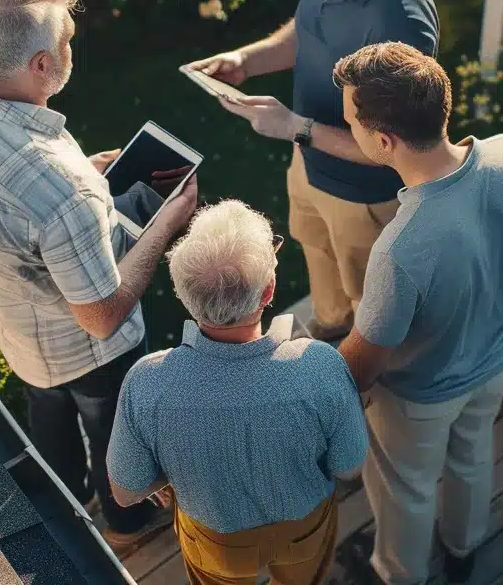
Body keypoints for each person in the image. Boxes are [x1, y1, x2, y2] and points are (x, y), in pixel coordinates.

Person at [0, 0, 193, 552]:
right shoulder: (64, 191)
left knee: (48, 420)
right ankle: (124, 526)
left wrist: (89, 179)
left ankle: (62, 508)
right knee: (114, 434)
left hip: (16, 330)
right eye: (67, 41)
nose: (74, 47)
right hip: (92, 353)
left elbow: (13, 192)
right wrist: (166, 223)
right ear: (42, 64)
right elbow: (100, 316)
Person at [330, 43, 503, 584]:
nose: (345, 125)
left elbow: (362, 369)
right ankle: (464, 548)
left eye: (350, 120)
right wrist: (492, 303)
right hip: (495, 364)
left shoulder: (400, 247)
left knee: (408, 491)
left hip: (419, 398)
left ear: (383, 141)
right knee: (472, 456)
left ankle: (401, 576)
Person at [188, 0, 438, 344]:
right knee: (319, 262)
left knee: (376, 316)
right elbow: (308, 29)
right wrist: (247, 62)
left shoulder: (401, 21)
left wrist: (296, 127)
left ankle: (362, 389)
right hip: (306, 164)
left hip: (364, 199)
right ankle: (330, 329)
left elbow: (392, 148)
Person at [107, 200, 370, 585]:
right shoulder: (320, 367)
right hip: (303, 528)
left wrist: (167, 472)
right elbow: (350, 467)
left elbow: (126, 493)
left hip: (215, 540)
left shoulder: (147, 383)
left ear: (182, 293)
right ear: (268, 293)